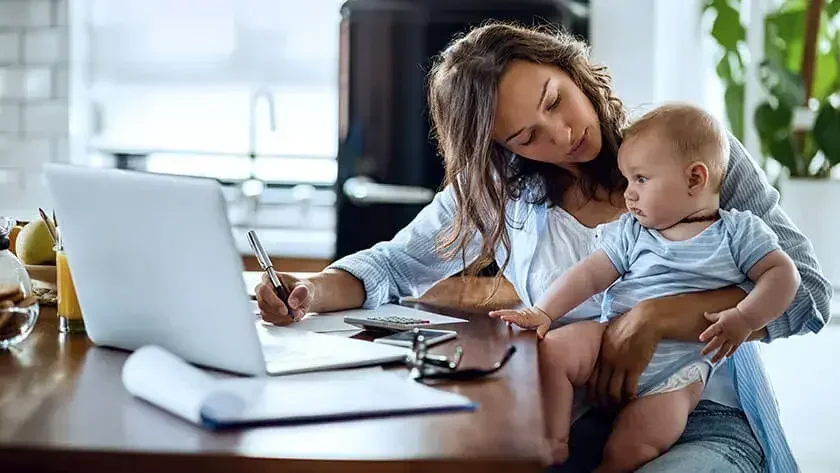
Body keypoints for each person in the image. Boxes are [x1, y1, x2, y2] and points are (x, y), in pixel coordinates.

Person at [255, 22, 832, 472]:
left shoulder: (688, 151)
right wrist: (308, 290)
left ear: (570, 69)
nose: (560, 136)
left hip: (703, 417)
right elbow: (389, 266)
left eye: (555, 101)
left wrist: (655, 319)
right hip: (568, 420)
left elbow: (809, 298)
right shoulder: (501, 191)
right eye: (525, 136)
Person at [488, 103, 801, 472]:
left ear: (695, 180)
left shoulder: (738, 233)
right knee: (553, 352)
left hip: (680, 374)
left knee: (630, 448)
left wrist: (746, 317)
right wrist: (543, 312)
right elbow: (589, 275)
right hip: (610, 337)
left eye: (640, 179)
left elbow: (786, 276)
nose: (628, 195)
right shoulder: (634, 232)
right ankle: (555, 442)